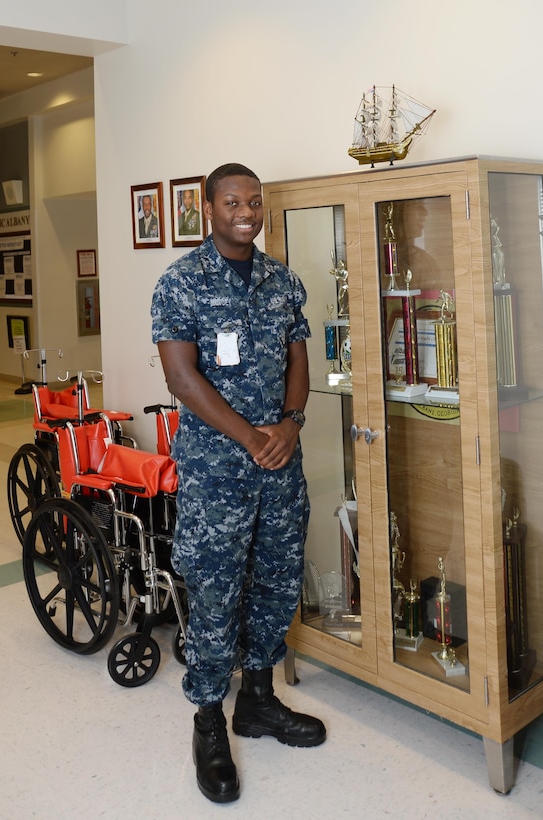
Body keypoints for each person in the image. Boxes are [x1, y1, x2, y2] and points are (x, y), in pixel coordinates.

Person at [151, 163, 326, 804]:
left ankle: (257, 700)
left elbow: (301, 357)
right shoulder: (181, 283)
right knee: (217, 591)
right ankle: (209, 724)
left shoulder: (284, 281)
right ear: (209, 209)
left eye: (254, 201)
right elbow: (182, 379)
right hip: (217, 472)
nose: (246, 211)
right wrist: (251, 436)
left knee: (278, 580)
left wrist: (291, 422)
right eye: (233, 202)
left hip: (281, 466)